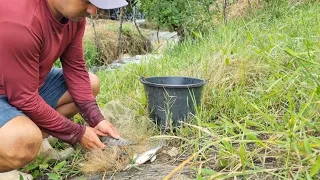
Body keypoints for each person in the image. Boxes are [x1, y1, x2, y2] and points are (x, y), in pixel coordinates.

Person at [0, 0, 128, 178]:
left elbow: (76, 69)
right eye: (87, 1)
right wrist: (77, 133)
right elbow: (25, 99)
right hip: (12, 93)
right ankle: (10, 155)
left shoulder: (72, 16)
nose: (92, 11)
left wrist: (96, 119)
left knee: (90, 84)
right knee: (23, 141)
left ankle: (33, 143)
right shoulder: (22, 22)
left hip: (25, 84)